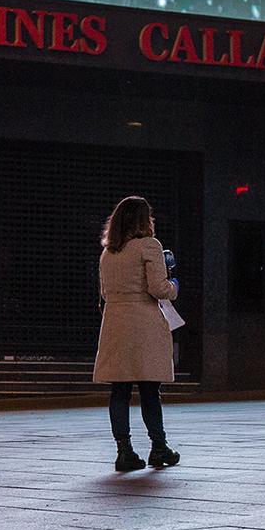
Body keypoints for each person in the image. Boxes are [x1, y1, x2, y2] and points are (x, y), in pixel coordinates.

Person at [92, 196, 181, 471]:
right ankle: (159, 446)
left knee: (119, 390)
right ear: (144, 219)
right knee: (149, 388)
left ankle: (124, 451)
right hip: (144, 323)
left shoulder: (108, 252)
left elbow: (104, 292)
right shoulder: (149, 246)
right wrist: (174, 283)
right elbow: (158, 288)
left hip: (115, 323)